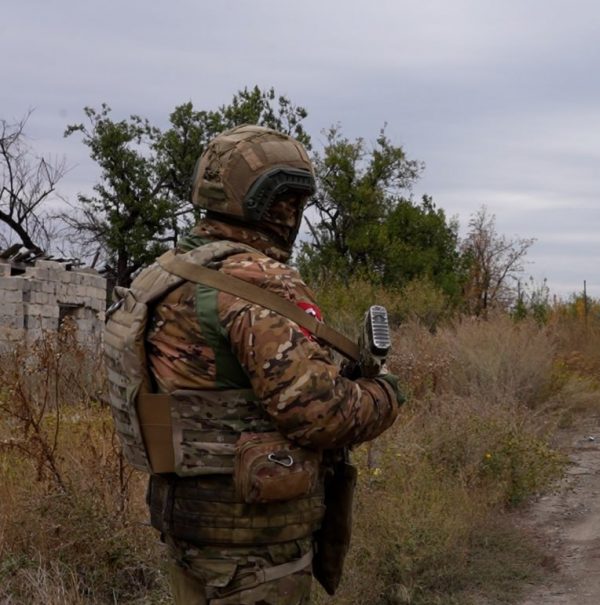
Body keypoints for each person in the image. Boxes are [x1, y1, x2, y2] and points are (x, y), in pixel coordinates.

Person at [103, 124, 402, 603]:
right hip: (255, 550)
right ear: (276, 205)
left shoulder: (161, 277)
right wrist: (385, 392)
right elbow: (323, 415)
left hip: (189, 531)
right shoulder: (260, 283)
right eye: (293, 201)